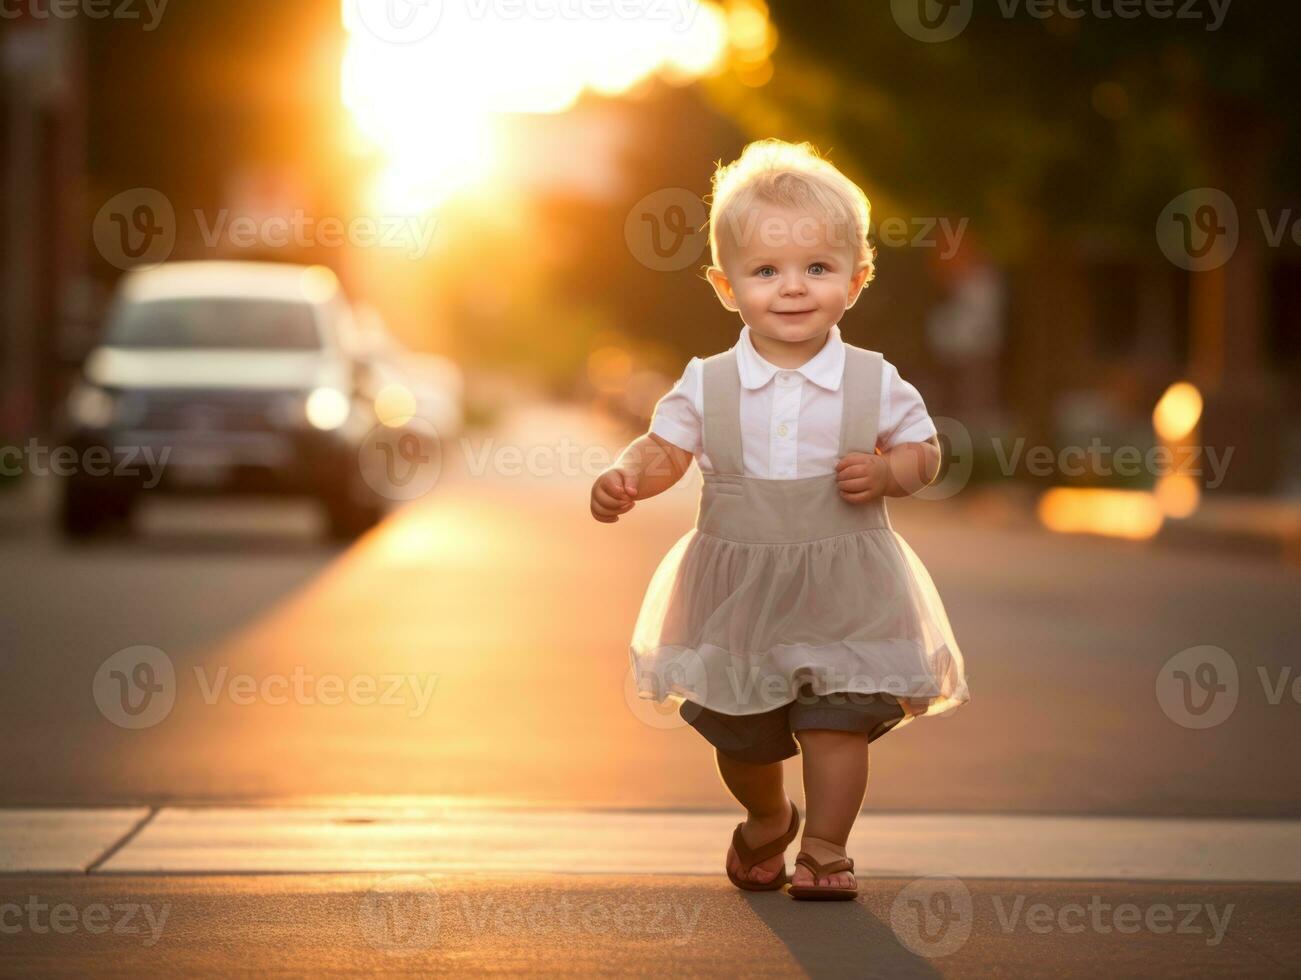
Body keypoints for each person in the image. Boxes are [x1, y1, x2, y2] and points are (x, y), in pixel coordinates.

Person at [590, 139, 969, 901]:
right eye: (766, 272)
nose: (792, 289)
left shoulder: (872, 378)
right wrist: (629, 475)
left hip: (846, 583)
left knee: (839, 721)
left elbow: (926, 452)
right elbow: (665, 447)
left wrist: (891, 472)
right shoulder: (710, 382)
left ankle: (825, 849)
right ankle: (768, 815)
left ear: (855, 280)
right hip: (738, 587)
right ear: (726, 286)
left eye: (817, 269)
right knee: (741, 729)